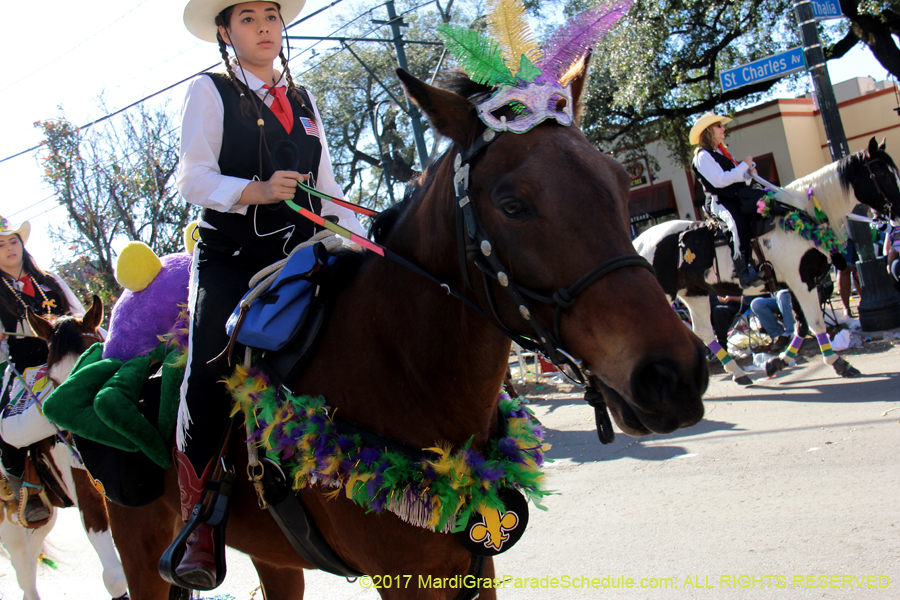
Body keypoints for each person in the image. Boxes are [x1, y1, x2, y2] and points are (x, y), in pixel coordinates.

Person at [175, 0, 367, 589]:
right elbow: (192, 178)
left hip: (302, 256)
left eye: (271, 15)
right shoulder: (207, 91)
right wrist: (256, 189)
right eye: (248, 18)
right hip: (231, 260)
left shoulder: (305, 101)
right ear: (226, 33)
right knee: (209, 365)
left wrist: (365, 240)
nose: (264, 27)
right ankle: (201, 516)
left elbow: (328, 191)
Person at [0, 217, 85, 522]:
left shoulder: (50, 280)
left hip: (70, 359)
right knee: (4, 422)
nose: (10, 248)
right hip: (26, 370)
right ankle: (23, 482)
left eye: (14, 241)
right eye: (2, 244)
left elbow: (78, 313)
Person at [690, 112, 765, 288]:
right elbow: (720, 180)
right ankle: (743, 272)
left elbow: (735, 178)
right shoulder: (702, 156)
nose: (723, 128)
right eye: (719, 126)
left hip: (735, 198)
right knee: (736, 223)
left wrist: (747, 174)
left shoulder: (721, 153)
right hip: (719, 201)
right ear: (708, 131)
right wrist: (744, 166)